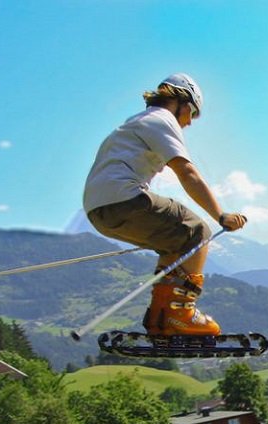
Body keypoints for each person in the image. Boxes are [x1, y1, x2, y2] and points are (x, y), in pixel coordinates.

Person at [83, 73, 246, 337]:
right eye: (192, 113)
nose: (190, 122)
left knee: (175, 243)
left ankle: (161, 318)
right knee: (197, 232)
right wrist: (221, 215)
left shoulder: (135, 123)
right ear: (180, 100)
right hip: (124, 199)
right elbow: (188, 174)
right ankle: (180, 315)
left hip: (98, 210)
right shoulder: (162, 119)